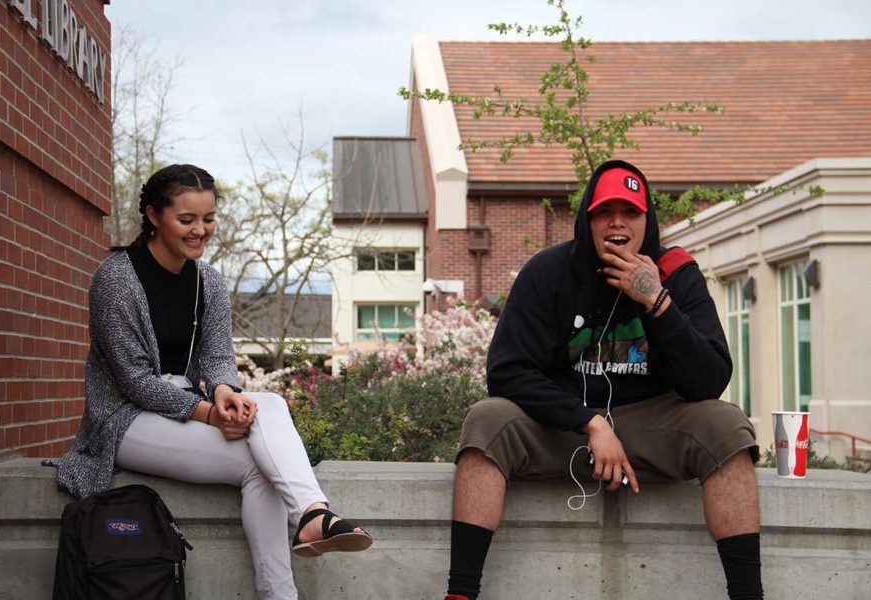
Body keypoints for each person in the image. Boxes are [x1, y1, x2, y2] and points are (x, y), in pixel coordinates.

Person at [443, 160, 762, 600]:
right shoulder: (549, 272)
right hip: (565, 427)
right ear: (587, 219)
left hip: (653, 424)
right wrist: (589, 422)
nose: (617, 222)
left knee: (727, 426)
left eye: (629, 212)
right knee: (487, 420)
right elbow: (506, 371)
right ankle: (460, 594)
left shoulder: (677, 272)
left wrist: (657, 301)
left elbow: (709, 381)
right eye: (604, 211)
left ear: (646, 220)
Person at [50, 164, 371, 600]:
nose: (200, 230)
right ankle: (306, 533)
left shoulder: (210, 282)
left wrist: (224, 393)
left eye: (208, 218)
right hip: (123, 420)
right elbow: (133, 380)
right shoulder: (116, 280)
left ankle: (312, 517)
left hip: (186, 407)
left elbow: (217, 357)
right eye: (187, 220)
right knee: (260, 464)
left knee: (269, 410)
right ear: (153, 215)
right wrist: (208, 414)